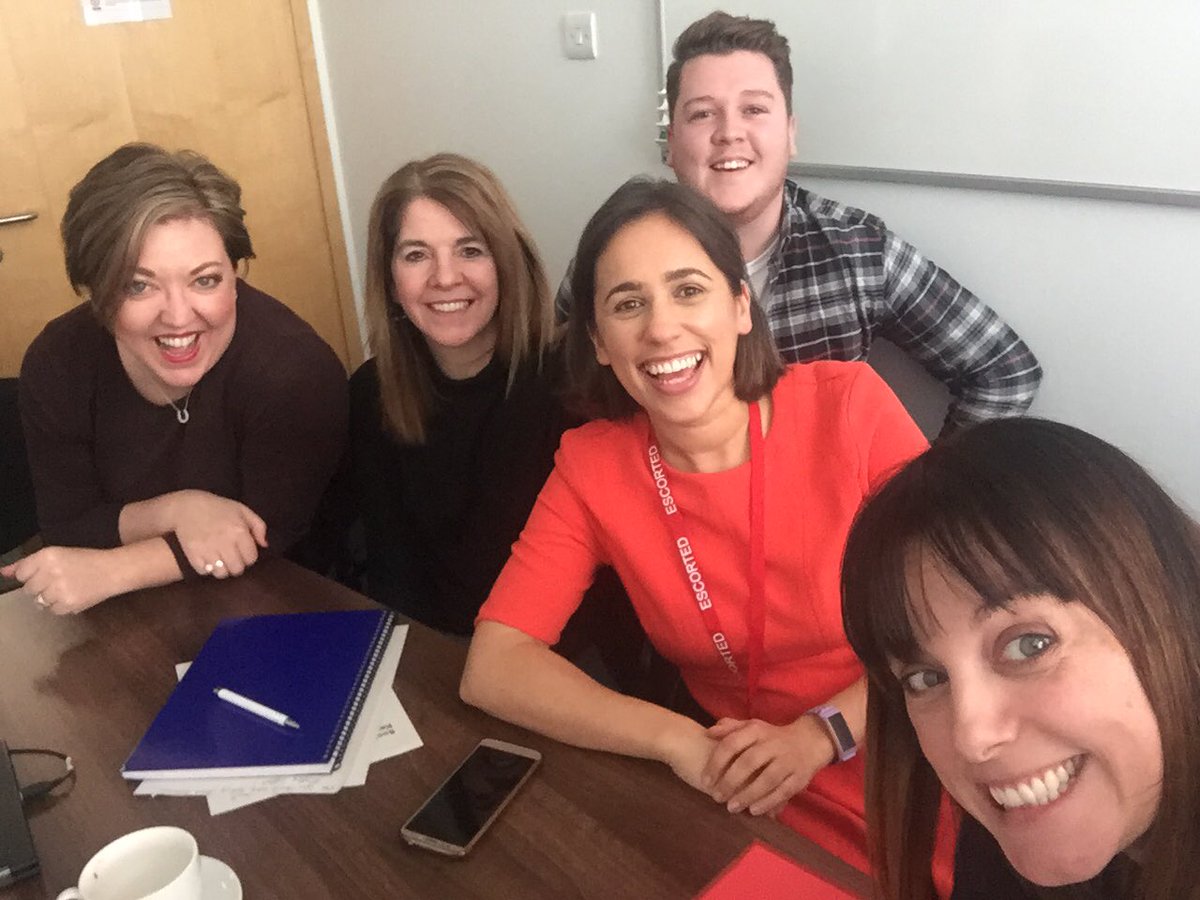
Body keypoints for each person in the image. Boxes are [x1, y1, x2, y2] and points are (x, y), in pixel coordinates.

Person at [462, 177, 955, 883]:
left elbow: (960, 624)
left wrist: (821, 734)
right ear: (598, 342)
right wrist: (677, 741)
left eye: (688, 290)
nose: (661, 329)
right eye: (628, 304)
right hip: (730, 781)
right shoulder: (592, 466)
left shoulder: (849, 408)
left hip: (900, 746)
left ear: (740, 307)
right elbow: (494, 664)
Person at [558, 11, 1041, 436]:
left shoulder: (859, 251)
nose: (729, 133)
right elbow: (558, 383)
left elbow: (1005, 370)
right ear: (670, 144)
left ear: (790, 134)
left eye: (754, 109)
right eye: (702, 114)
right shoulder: (615, 257)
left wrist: (925, 497)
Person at [840, 417, 1197, 899]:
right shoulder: (1002, 839)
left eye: (1029, 645)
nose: (971, 737)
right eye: (926, 679)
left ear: (1173, 611)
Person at [1, 143, 348, 614]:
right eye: (138, 285)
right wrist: (178, 509)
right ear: (95, 289)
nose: (179, 316)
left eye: (205, 280)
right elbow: (69, 525)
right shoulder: (58, 362)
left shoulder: (295, 370)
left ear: (235, 272)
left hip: (278, 606)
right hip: (126, 616)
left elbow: (265, 535)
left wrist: (113, 569)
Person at [345, 153, 567, 635]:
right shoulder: (369, 394)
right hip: (432, 650)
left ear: (506, 263)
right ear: (390, 280)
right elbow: (392, 572)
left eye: (470, 250)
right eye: (416, 255)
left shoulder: (570, 386)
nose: (445, 277)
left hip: (549, 654)